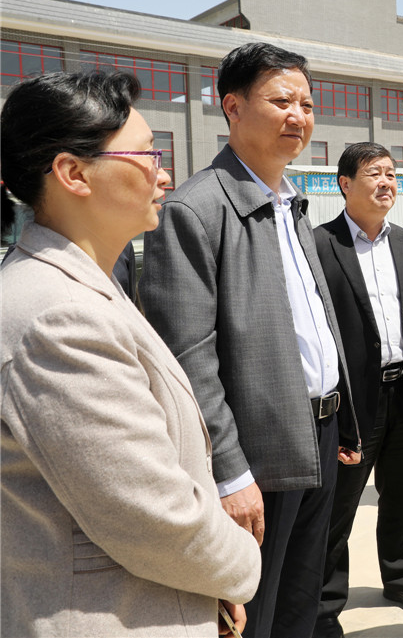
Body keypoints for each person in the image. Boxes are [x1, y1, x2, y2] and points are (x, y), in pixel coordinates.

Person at [0, 70, 260, 637]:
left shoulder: (81, 286)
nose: (163, 174)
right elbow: (153, 516)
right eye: (146, 155)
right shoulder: (59, 318)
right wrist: (242, 566)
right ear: (73, 173)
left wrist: (206, 589)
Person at [140, 42, 361, 638]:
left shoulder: (291, 202)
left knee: (301, 603)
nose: (299, 115)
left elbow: (313, 323)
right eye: (281, 101)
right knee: (253, 613)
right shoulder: (195, 209)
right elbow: (187, 358)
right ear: (232, 107)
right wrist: (231, 474)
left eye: (307, 104)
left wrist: (342, 420)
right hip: (257, 454)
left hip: (317, 437)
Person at [312, 142, 403, 637]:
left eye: (391, 173)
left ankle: (401, 577)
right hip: (351, 398)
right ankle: (324, 604)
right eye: (374, 173)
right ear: (345, 184)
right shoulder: (319, 244)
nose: (386, 182)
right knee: (339, 504)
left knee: (401, 493)